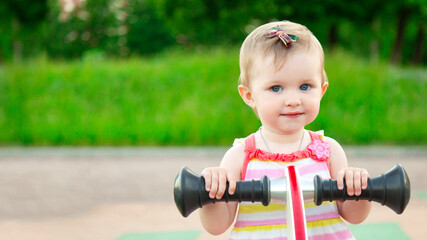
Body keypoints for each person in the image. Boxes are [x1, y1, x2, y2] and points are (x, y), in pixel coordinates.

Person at [199, 20, 371, 239]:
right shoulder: (240, 157)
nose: (293, 100)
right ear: (249, 96)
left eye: (305, 86)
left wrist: (359, 189)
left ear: (322, 90)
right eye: (276, 88)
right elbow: (218, 226)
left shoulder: (328, 151)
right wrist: (210, 193)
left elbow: (354, 216)